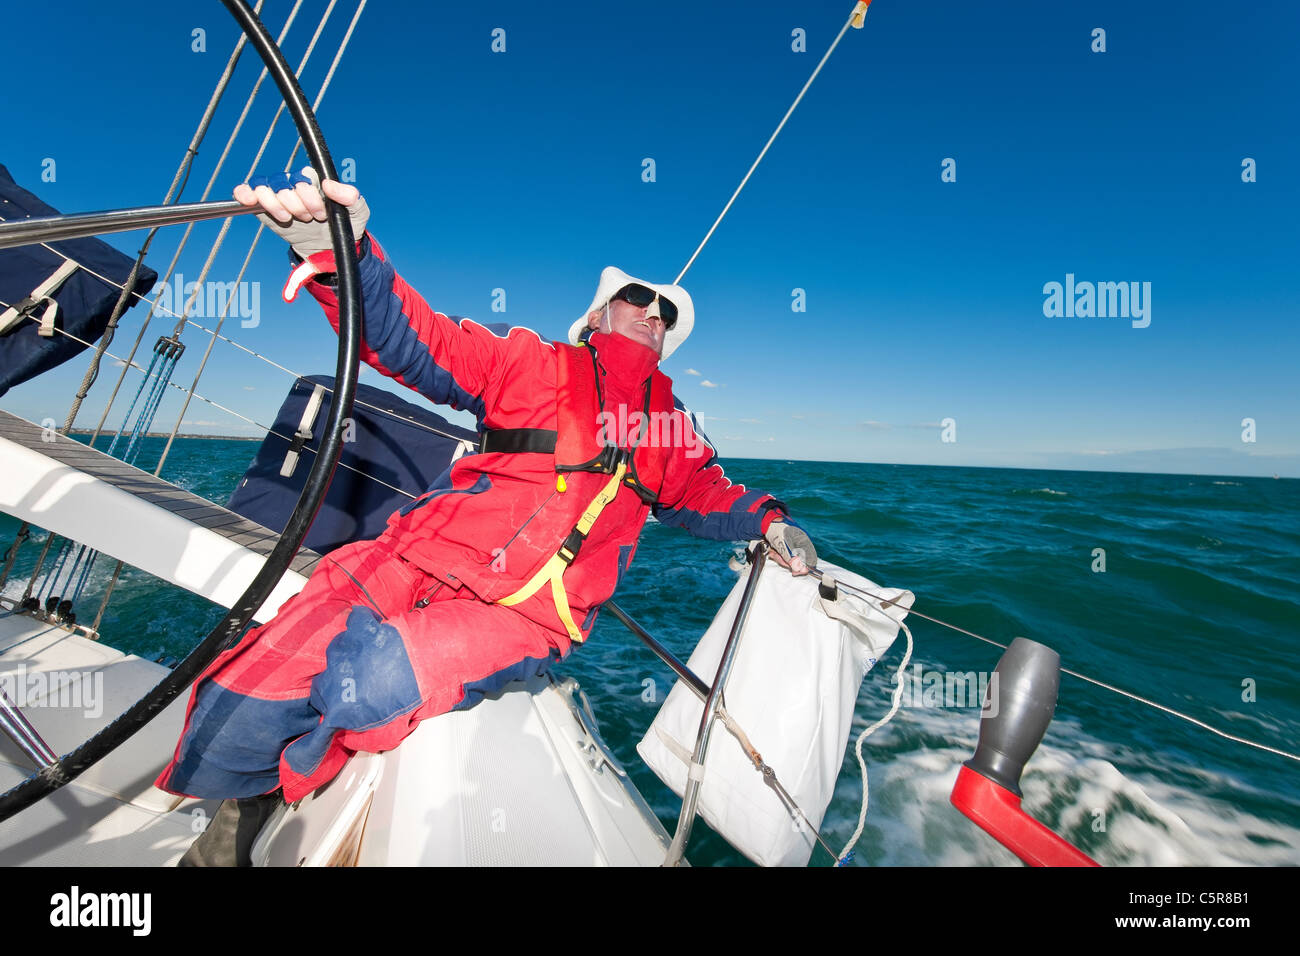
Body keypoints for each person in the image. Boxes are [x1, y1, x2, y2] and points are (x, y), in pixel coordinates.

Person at [157, 169, 818, 865]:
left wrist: (769, 520)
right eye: (635, 297)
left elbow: (705, 492)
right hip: (412, 554)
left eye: (666, 311)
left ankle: (294, 792)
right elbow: (422, 342)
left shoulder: (672, 426)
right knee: (246, 689)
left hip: (527, 613)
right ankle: (234, 825)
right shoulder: (530, 361)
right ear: (596, 316)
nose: (652, 312)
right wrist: (341, 258)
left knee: (376, 680)